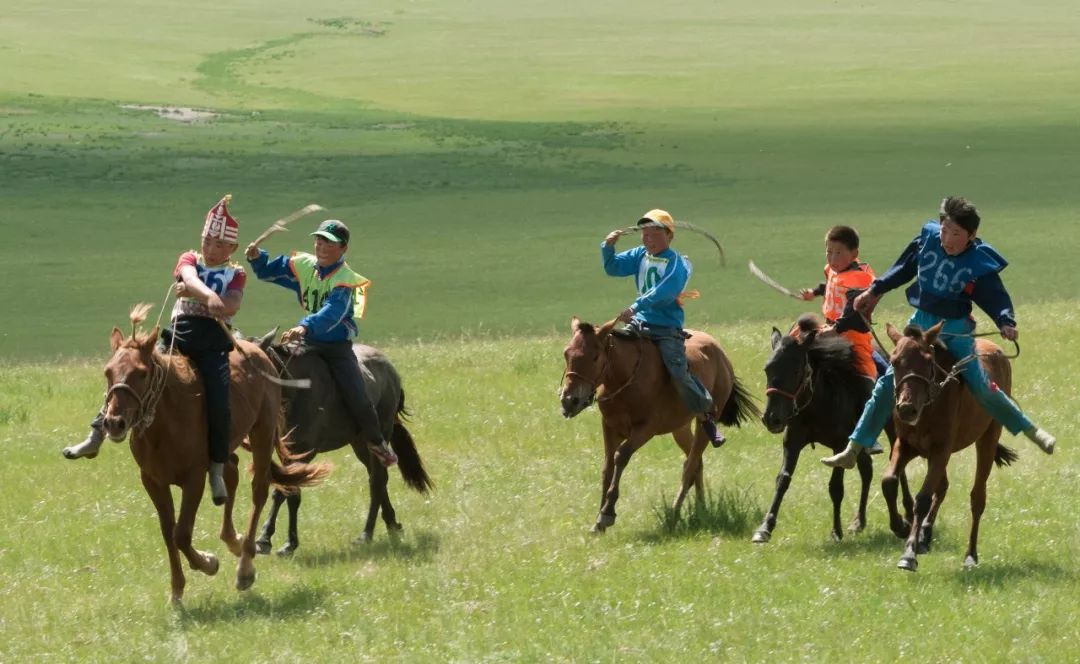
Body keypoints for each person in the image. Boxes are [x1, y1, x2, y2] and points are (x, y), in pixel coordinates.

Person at [821, 197, 1056, 469]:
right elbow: (901, 269)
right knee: (887, 383)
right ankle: (854, 448)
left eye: (956, 233)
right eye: (945, 230)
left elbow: (995, 296)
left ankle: (1030, 431)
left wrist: (1006, 321)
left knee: (981, 386)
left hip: (955, 328)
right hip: (921, 322)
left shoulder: (978, 262)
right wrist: (873, 291)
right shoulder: (928, 239)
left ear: (971, 235)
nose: (948, 238)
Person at [63, 195, 246, 507]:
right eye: (207, 240)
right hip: (176, 338)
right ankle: (96, 435)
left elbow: (231, 305)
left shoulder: (237, 274)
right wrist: (205, 295)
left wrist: (208, 298)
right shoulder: (189, 259)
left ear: (231, 249)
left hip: (213, 343)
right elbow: (188, 278)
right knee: (129, 376)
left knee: (219, 399)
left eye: (218, 244)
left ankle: (216, 467)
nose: (210, 248)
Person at [245, 219, 398, 467]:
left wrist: (305, 325)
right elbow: (270, 270)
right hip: (305, 342)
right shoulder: (305, 266)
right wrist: (256, 257)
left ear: (343, 249)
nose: (321, 246)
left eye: (329, 242)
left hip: (335, 348)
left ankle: (377, 442)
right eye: (319, 240)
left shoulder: (346, 280)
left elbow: (333, 312)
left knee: (358, 395)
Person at [602, 208, 725, 446]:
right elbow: (613, 267)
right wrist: (607, 247)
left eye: (654, 233)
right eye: (645, 233)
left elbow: (664, 292)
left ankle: (706, 411)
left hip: (665, 328)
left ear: (669, 236)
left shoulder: (675, 262)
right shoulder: (640, 255)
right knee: (608, 354)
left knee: (678, 370)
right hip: (639, 324)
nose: (648, 238)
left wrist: (636, 306)